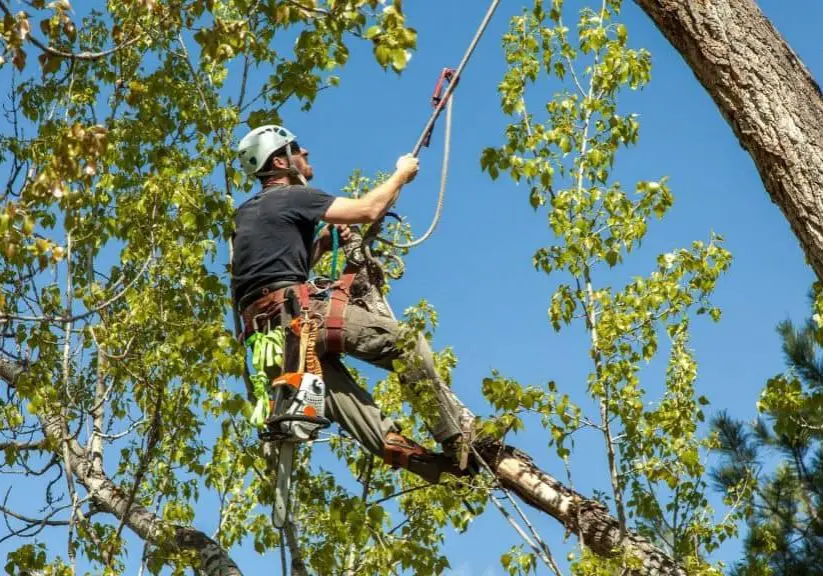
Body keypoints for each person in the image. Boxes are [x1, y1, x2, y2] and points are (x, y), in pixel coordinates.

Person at [232, 124, 467, 483]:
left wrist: (323, 244)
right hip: (301, 317)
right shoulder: (293, 197)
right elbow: (368, 209)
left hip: (271, 340)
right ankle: (456, 436)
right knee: (407, 344)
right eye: (296, 148)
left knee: (352, 408)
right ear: (280, 162)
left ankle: (431, 468)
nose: (306, 152)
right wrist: (401, 175)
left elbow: (273, 270)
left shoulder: (247, 213)